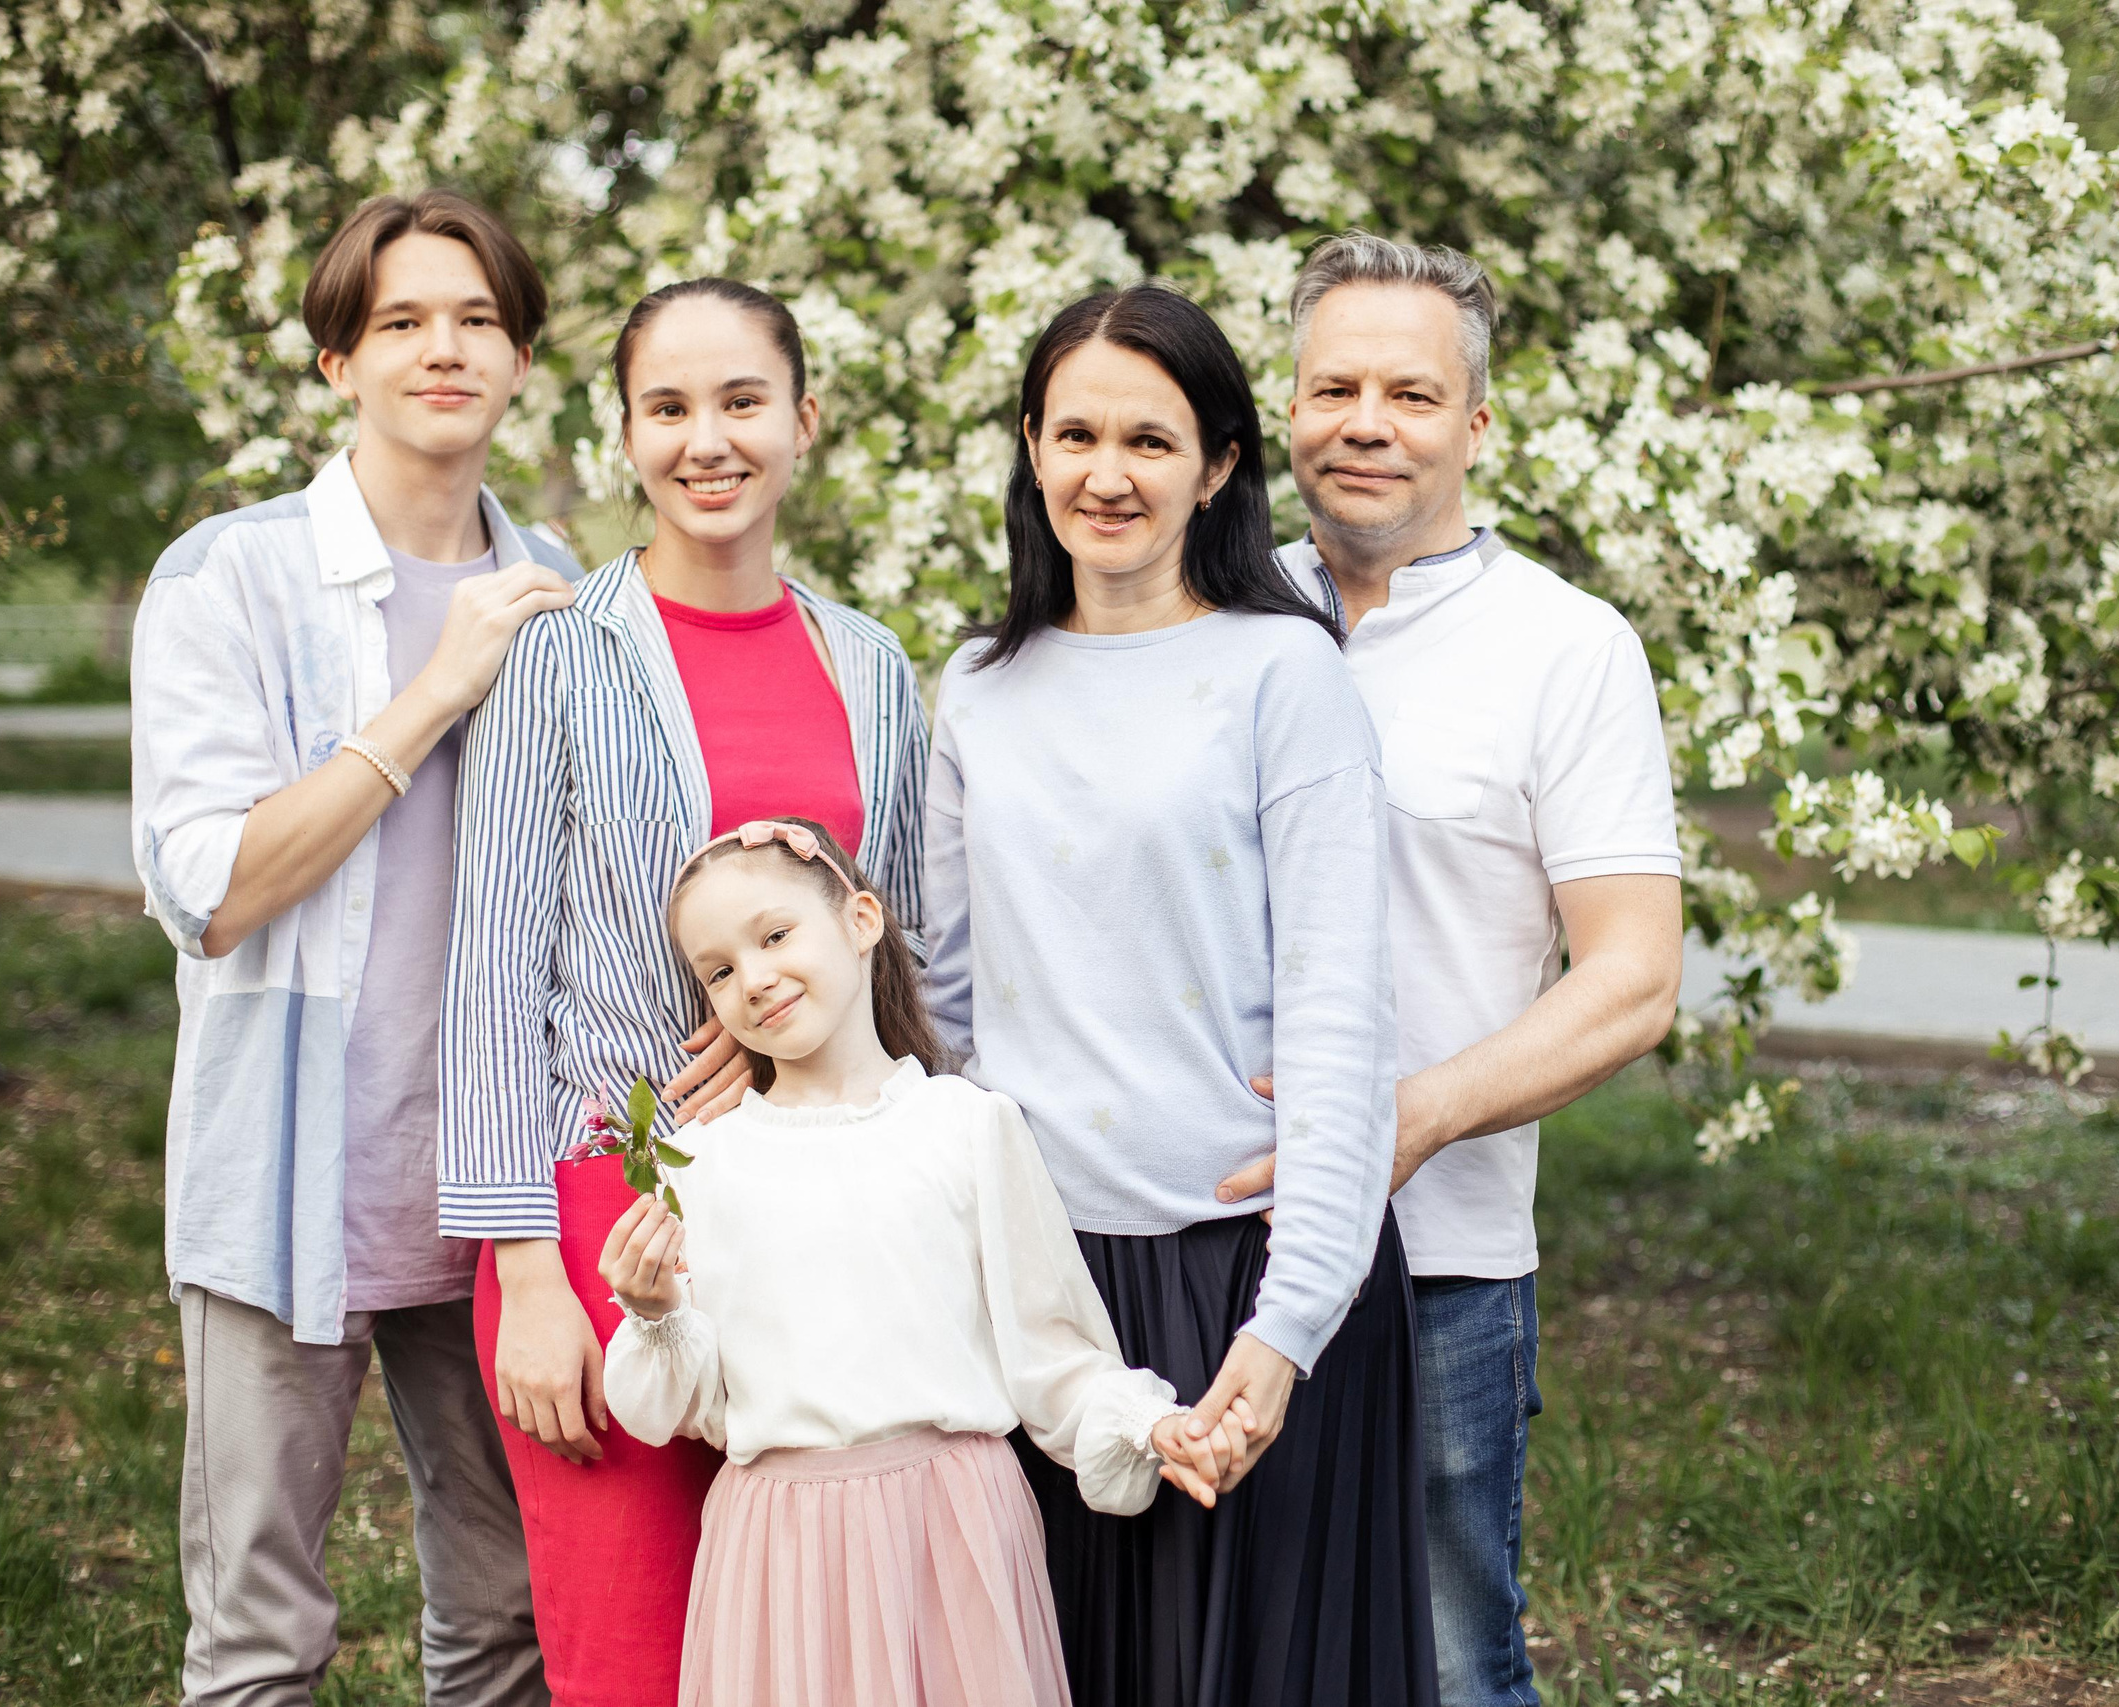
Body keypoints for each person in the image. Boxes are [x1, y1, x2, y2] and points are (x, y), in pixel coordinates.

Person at [924, 283, 1439, 1706]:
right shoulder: (977, 687)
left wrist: (1284, 1333)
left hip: (1249, 1261)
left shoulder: (1285, 673)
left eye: (1150, 440)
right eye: (1075, 431)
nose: (1107, 473)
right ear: (1030, 446)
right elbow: (946, 1006)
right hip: (1050, 1280)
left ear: (1217, 464)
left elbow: (1342, 1021)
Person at [438, 279, 932, 1707]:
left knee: (819, 1656)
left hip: (831, 1219)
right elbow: (490, 968)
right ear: (627, 436)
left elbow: (899, 957)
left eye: (741, 402)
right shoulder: (558, 656)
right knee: (635, 1658)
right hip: (611, 1225)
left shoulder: (873, 664)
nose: (706, 440)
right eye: (668, 408)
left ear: (802, 421)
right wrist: (529, 1276)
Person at [1215, 233, 1685, 1707]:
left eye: (1410, 393)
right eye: (1332, 384)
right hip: (1192, 1232)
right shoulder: (1204, 615)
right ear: (1284, 411)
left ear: (1477, 424)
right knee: (1210, 1641)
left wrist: (1401, 1119)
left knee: (1448, 1660)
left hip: (1443, 1262)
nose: (1367, 420)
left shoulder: (1566, 648)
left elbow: (1633, 977)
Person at [128, 189, 579, 1707]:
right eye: (401, 322)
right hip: (287, 1170)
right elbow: (213, 887)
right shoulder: (226, 578)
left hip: (503, 1187)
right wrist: (428, 695)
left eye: (475, 321)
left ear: (519, 358)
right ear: (339, 361)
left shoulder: (567, 593)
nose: (441, 350)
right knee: (262, 1635)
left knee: (513, 1611)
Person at [598, 815, 1243, 1707]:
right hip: (779, 1553)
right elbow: (699, 1404)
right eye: (717, 970)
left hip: (954, 1535)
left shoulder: (969, 1126)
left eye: (775, 934)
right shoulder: (707, 1166)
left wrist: (1144, 1422)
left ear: (863, 920)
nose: (753, 977)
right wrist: (658, 1312)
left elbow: (1051, 1354)